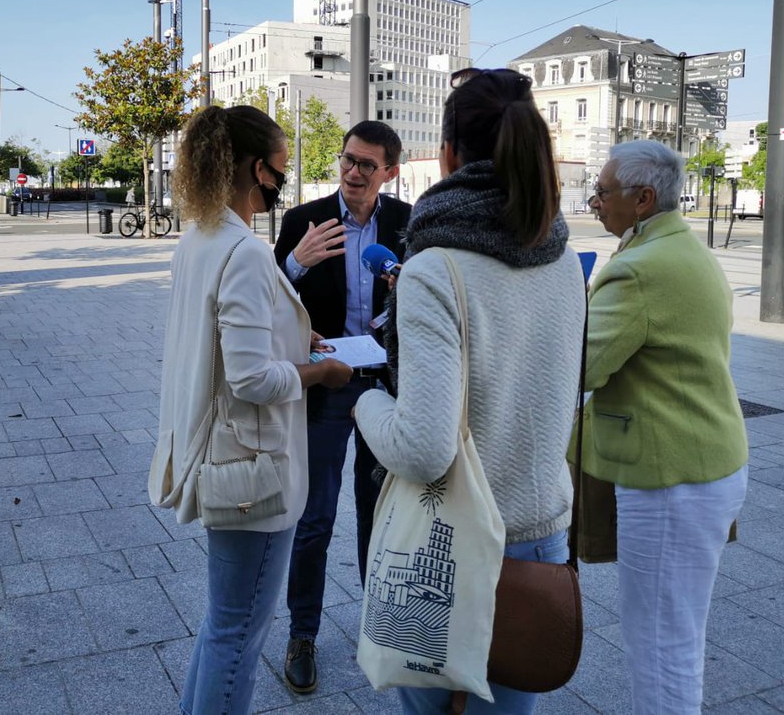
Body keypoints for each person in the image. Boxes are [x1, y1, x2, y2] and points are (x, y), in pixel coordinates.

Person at [354, 67, 585, 715]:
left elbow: (423, 449)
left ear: (449, 155)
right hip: (540, 538)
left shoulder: (433, 269)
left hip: (446, 547)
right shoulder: (562, 255)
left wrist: (364, 399)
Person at [151, 105, 352, 715]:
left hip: (220, 454)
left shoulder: (200, 236)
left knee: (221, 627)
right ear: (253, 168)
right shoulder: (241, 249)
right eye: (281, 165)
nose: (284, 176)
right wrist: (321, 371)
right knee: (237, 635)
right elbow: (247, 377)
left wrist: (298, 340)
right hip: (252, 471)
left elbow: (224, 347)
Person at [581, 140, 748, 714]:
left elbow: (579, 364)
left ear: (643, 198)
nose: (595, 202)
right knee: (676, 635)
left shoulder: (641, 270)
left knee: (659, 644)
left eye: (602, 192)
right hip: (701, 460)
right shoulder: (680, 247)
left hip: (670, 476)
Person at [272, 120, 411, 694]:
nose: (353, 173)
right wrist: (296, 265)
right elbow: (270, 297)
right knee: (315, 519)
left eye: (367, 165)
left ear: (390, 173)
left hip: (385, 384)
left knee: (381, 518)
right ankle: (302, 633)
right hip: (328, 384)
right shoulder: (304, 219)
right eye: (348, 160)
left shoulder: (408, 224)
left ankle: (378, 629)